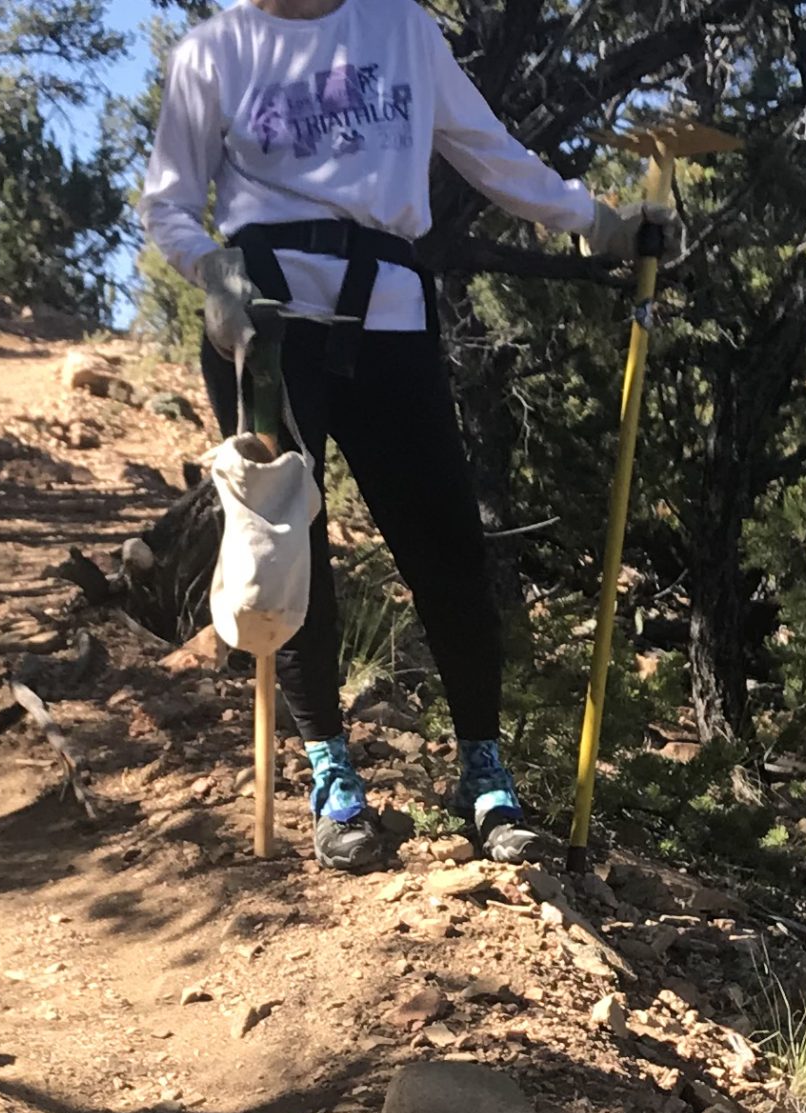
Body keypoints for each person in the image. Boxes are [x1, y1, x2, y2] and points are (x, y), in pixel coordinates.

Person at [142, 0, 658, 873]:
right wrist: (214, 275)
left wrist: (600, 225)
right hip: (263, 323)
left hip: (390, 317)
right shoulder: (213, 52)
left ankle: (483, 773)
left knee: (447, 544)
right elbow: (170, 206)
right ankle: (330, 774)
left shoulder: (404, 31)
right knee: (286, 550)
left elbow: (490, 152)